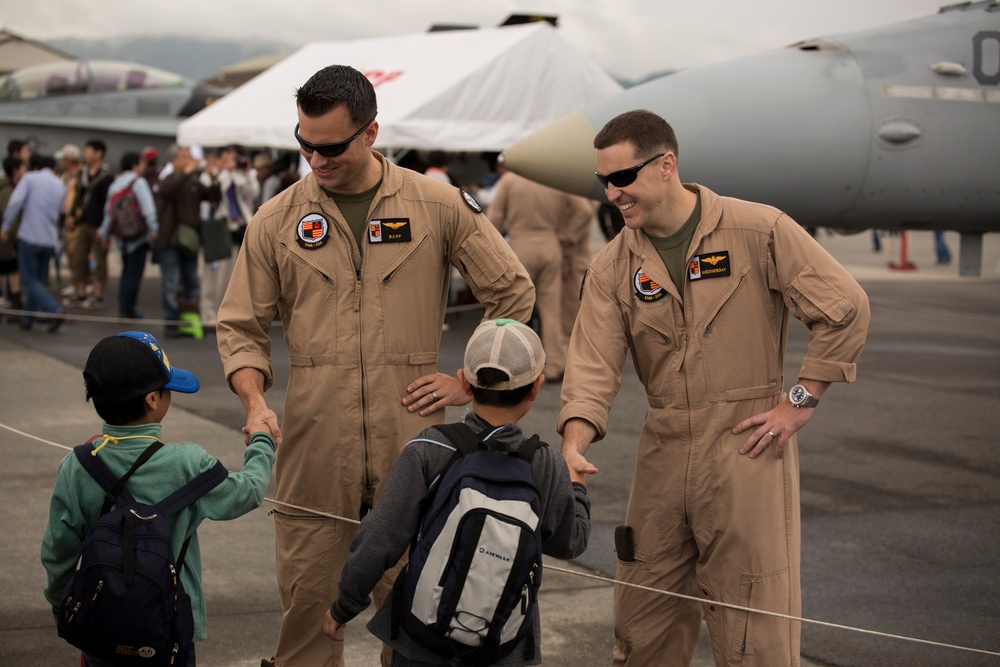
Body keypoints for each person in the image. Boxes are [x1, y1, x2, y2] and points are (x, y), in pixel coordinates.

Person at [215, 64, 534, 667]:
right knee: (309, 602)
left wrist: (464, 381)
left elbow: (512, 292)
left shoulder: (436, 204)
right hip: (312, 441)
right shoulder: (277, 220)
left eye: (331, 146)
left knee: (418, 607)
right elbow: (240, 327)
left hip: (413, 438)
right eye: (304, 143)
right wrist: (255, 402)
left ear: (370, 133)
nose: (316, 158)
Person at [557, 110, 871, 667]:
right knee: (642, 618)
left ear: (666, 165)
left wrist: (799, 401)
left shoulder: (759, 230)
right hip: (664, 449)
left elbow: (844, 307)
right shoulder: (613, 265)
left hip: (748, 449)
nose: (612, 194)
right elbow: (592, 362)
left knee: (755, 628)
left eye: (623, 178)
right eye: (603, 182)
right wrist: (576, 437)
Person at [323, 318, 590, 666]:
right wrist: (578, 487)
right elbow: (570, 542)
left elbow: (380, 539)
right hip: (505, 649)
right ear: (537, 387)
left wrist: (345, 605)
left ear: (463, 381)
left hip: (422, 644)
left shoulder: (429, 448)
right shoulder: (546, 464)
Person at [40, 330, 276, 667]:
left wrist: (67, 609)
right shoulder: (188, 464)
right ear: (153, 399)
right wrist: (262, 440)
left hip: (100, 628)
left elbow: (57, 552)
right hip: (170, 631)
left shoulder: (77, 467)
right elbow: (249, 491)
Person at [488, 167, 594, 382]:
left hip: (518, 246)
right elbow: (584, 210)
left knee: (513, 308)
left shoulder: (509, 180)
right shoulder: (554, 176)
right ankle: (556, 364)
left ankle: (509, 363)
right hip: (551, 245)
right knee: (551, 310)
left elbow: (494, 217)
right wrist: (567, 237)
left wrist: (494, 247)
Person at [155, 145, 220, 338]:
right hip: (170, 240)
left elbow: (213, 196)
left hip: (190, 241)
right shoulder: (168, 180)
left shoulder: (192, 182)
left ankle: (189, 321)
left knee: (192, 282)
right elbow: (165, 190)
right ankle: (171, 323)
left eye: (189, 157)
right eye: (185, 157)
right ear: (174, 161)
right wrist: (186, 172)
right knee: (171, 282)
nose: (189, 161)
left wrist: (213, 178)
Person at [0, 154, 67, 332]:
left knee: (29, 280)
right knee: (37, 280)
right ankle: (28, 319)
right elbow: (63, 211)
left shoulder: (30, 178)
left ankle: (53, 310)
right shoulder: (59, 184)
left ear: (36, 167)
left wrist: (6, 226)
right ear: (54, 168)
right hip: (49, 239)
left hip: (29, 236)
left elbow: (15, 202)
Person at [100, 151, 159, 319]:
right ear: (135, 165)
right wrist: (154, 229)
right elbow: (148, 210)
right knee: (134, 272)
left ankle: (123, 304)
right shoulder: (138, 182)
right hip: (138, 236)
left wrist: (104, 233)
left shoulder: (115, 184)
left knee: (126, 270)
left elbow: (108, 212)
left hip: (121, 237)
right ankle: (128, 307)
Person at [63, 139, 114, 309]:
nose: (86, 154)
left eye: (89, 151)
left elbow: (109, 202)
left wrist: (106, 226)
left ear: (99, 153)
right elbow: (78, 196)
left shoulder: (106, 176)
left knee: (100, 260)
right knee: (78, 257)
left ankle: (98, 295)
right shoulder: (83, 173)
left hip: (100, 224)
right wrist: (71, 214)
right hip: (83, 221)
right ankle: (81, 292)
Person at [0, 156, 25, 315]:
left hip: (8, 235)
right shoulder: (9, 189)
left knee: (9, 268)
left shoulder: (10, 186)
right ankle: (14, 304)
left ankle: (14, 301)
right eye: (22, 168)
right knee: (7, 267)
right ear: (15, 170)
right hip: (7, 236)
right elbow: (6, 213)